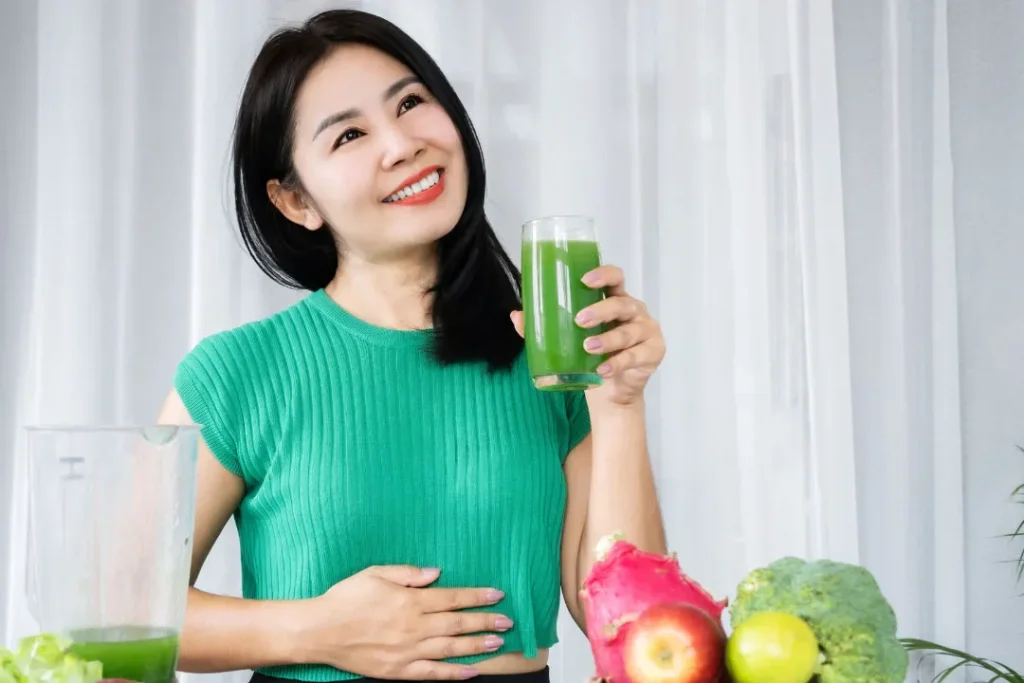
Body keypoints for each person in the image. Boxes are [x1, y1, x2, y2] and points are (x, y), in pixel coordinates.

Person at [157, 8, 668, 683]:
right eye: (348, 135)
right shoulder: (237, 374)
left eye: (410, 102)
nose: (401, 144)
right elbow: (121, 608)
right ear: (294, 201)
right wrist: (322, 629)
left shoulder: (545, 357)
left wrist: (619, 404)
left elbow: (633, 636)